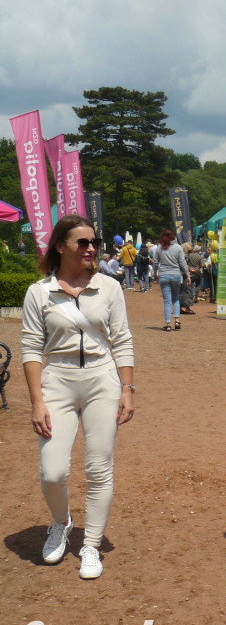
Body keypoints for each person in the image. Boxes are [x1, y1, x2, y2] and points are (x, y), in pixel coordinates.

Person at [21, 214, 135, 579]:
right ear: (60, 246)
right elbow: (31, 349)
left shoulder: (109, 287)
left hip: (103, 379)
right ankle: (61, 522)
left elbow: (122, 340)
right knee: (52, 471)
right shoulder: (39, 292)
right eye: (82, 242)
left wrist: (127, 389)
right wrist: (37, 401)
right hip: (57, 380)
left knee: (99, 468)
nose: (91, 248)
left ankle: (91, 545)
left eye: (94, 242)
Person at [153, 230, 190, 331]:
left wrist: (155, 273)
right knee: (176, 299)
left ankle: (168, 323)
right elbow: (182, 262)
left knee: (167, 301)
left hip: (164, 275)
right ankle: (177, 321)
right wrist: (187, 274)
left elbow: (155, 263)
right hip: (176, 275)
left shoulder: (159, 248)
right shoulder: (178, 247)